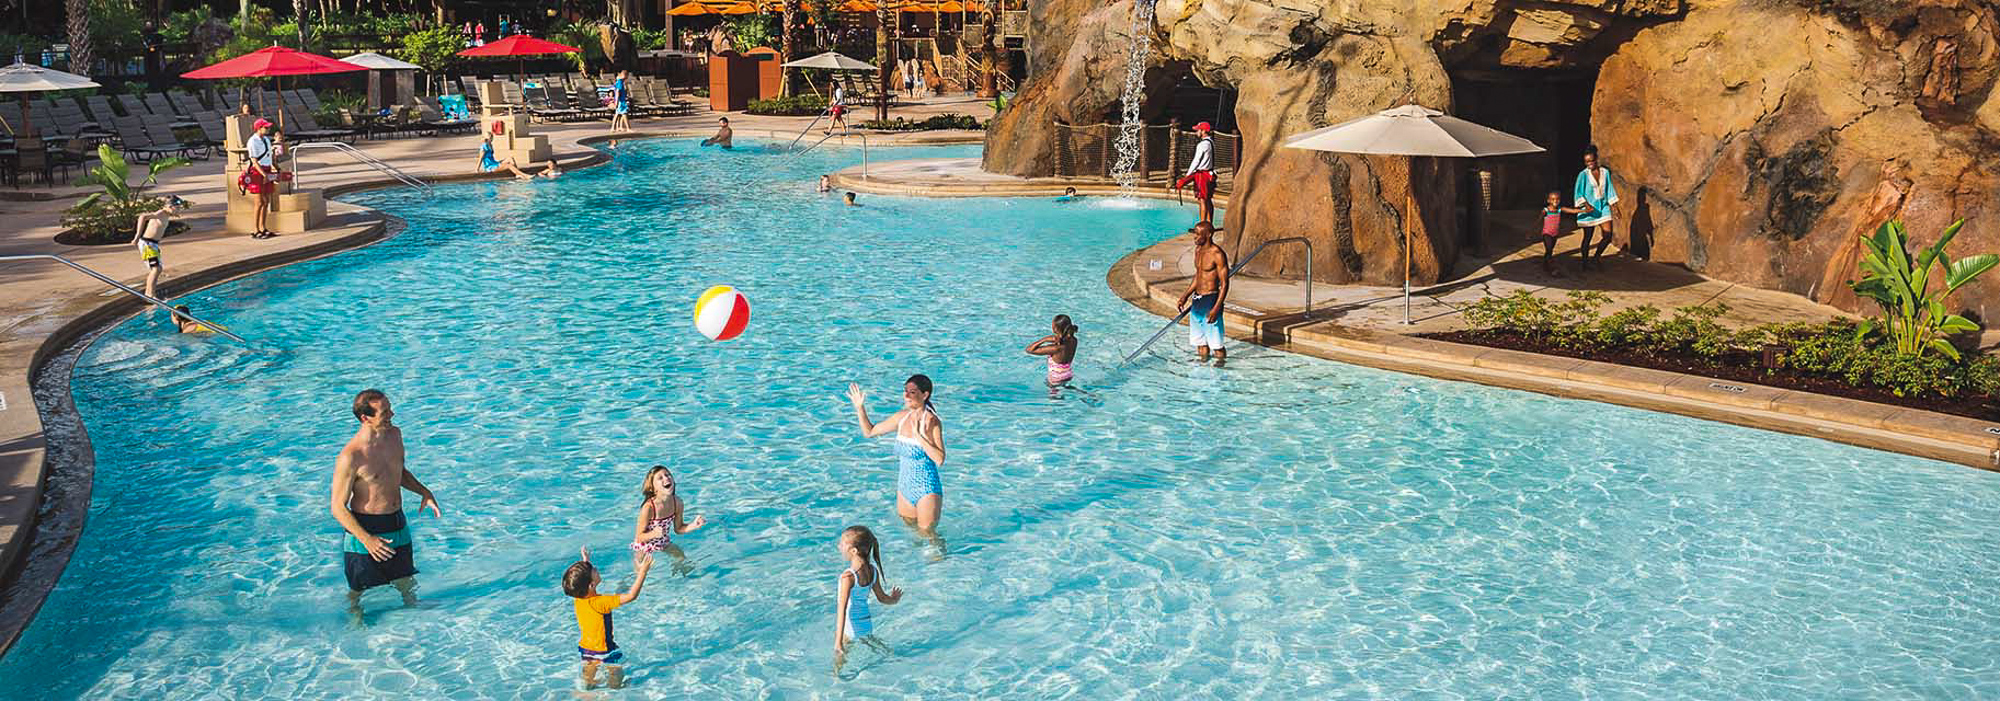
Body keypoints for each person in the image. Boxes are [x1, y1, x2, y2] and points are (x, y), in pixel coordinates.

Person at [331, 389, 442, 612]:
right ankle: (355, 624)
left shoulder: (395, 435)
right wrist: (366, 539)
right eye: (385, 412)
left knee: (405, 577)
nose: (392, 414)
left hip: (397, 523)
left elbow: (397, 472)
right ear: (365, 418)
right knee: (359, 590)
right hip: (366, 528)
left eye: (389, 407)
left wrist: (424, 492)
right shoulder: (351, 456)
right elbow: (337, 508)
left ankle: (413, 613)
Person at [844, 375, 945, 534]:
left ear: (925, 395)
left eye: (912, 392)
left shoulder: (932, 421)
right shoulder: (901, 417)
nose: (906, 396)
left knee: (930, 540)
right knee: (913, 537)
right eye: (905, 391)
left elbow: (939, 459)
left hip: (927, 488)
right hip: (904, 488)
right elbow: (869, 432)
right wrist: (859, 407)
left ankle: (948, 560)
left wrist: (921, 438)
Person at [565, 546, 654, 690]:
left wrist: (585, 561)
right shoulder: (601, 602)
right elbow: (631, 596)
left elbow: (581, 583)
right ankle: (614, 692)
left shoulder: (578, 597)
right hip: (605, 650)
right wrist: (642, 572)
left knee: (588, 678)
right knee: (616, 676)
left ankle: (586, 693)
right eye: (594, 570)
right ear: (591, 585)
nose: (596, 569)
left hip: (586, 649)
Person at [832, 525, 902, 668]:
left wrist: (838, 642)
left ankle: (835, 681)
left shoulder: (848, 577)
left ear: (853, 551)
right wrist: (894, 599)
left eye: (842, 544)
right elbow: (882, 598)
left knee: (839, 663)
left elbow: (842, 610)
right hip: (866, 624)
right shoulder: (872, 571)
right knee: (876, 647)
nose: (839, 546)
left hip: (851, 626)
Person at [1176, 222, 1231, 365]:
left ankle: (1221, 370)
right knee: (1200, 341)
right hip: (1197, 300)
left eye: (1198, 234)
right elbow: (1198, 276)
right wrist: (1185, 295)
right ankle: (1202, 367)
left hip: (1211, 299)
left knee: (1216, 344)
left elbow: (1225, 284)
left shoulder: (1217, 254)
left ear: (1209, 234)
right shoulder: (1198, 251)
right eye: (1195, 233)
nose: (1195, 237)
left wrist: (1216, 307)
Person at [629, 465, 707, 566]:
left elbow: (678, 529)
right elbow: (639, 537)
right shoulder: (649, 508)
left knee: (682, 560)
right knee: (640, 572)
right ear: (653, 488)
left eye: (668, 475)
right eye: (660, 478)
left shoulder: (677, 502)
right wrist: (653, 534)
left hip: (663, 542)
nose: (666, 478)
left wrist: (694, 525)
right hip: (644, 545)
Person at [1573, 146, 1619, 270]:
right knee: (1588, 237)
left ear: (1596, 159)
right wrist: (1586, 205)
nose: (1589, 164)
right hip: (1589, 209)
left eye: (1591, 161)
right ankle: (1584, 262)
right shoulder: (1582, 175)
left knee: (1608, 235)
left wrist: (1615, 207)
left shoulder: (1605, 172)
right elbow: (1578, 193)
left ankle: (1596, 257)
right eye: (1587, 162)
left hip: (1603, 207)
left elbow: (1610, 190)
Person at [134, 195, 188, 300]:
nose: (179, 210)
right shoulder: (161, 213)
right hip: (147, 244)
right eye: (178, 208)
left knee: (156, 269)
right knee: (156, 269)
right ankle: (149, 295)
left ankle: (149, 294)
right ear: (171, 206)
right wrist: (137, 236)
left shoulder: (166, 215)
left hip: (152, 244)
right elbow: (142, 217)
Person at [243, 118, 283, 239]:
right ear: (258, 128)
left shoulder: (266, 140)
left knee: (266, 202)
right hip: (257, 172)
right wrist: (263, 174)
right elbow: (254, 160)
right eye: (265, 127)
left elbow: (269, 156)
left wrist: (276, 168)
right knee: (259, 202)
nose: (268, 129)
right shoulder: (252, 141)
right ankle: (255, 230)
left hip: (267, 170)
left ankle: (263, 227)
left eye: (268, 127)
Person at [1174, 121, 1218, 226]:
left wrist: (1187, 175)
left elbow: (1196, 161)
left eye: (1198, 130)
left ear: (1203, 131)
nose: (1196, 132)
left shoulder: (1202, 144)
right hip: (1210, 173)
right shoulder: (1211, 142)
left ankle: (1202, 226)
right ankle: (1209, 224)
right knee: (1208, 200)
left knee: (1202, 200)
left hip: (1202, 175)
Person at [1537, 191, 1586, 277]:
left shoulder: (1560, 209)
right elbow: (1538, 221)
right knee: (1548, 250)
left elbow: (1572, 211)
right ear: (1548, 200)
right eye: (1553, 199)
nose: (1555, 201)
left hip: (1555, 234)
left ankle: (1545, 263)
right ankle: (1551, 268)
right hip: (1547, 233)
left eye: (1557, 199)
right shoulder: (1546, 210)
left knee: (1550, 250)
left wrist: (1584, 211)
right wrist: (1530, 232)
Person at [1024, 314, 1079, 386]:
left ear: (1055, 328)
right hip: (1068, 374)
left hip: (1056, 378)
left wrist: (1044, 339)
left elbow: (1029, 350)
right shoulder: (1074, 340)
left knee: (1053, 396)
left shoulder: (1056, 348)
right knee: (1066, 387)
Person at [478, 133, 559, 180]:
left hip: (495, 163)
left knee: (510, 158)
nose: (491, 139)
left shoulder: (490, 145)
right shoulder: (484, 147)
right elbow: (481, 158)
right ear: (486, 138)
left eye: (492, 138)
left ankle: (517, 174)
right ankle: (524, 176)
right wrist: (477, 169)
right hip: (490, 167)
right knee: (509, 165)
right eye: (489, 138)